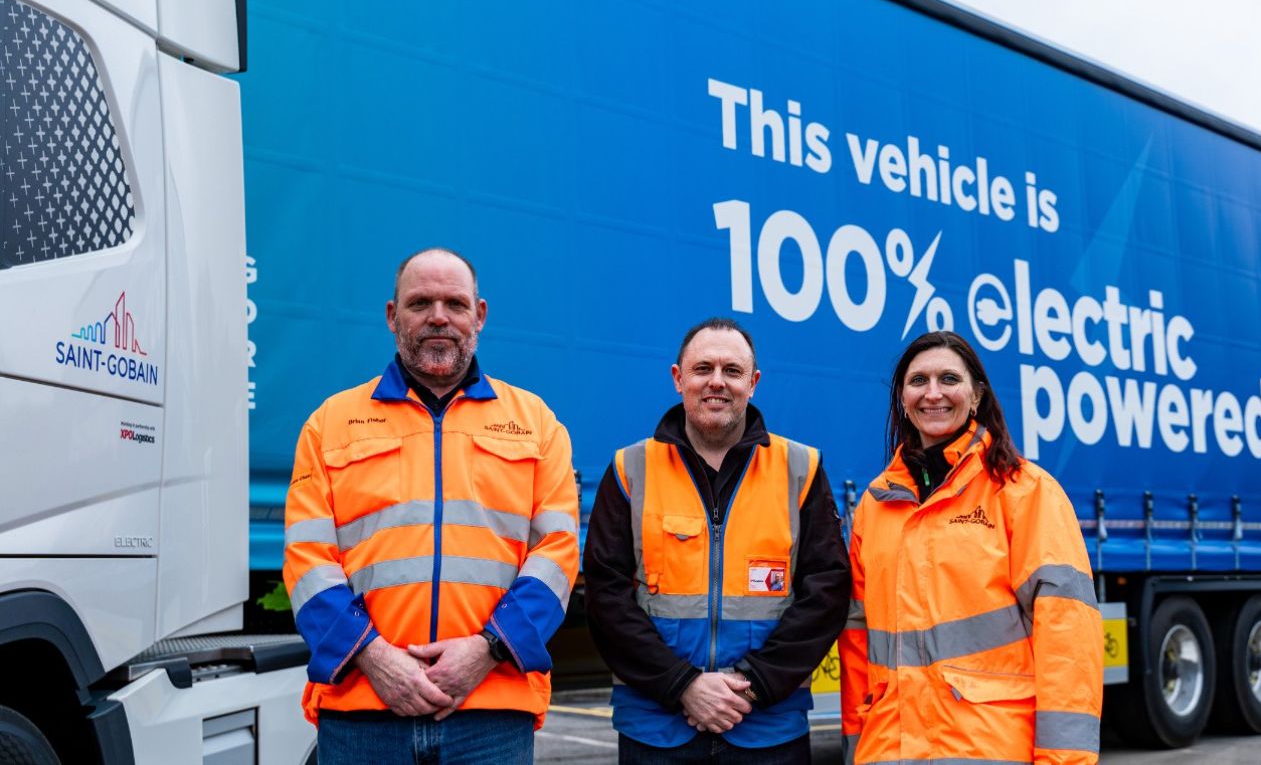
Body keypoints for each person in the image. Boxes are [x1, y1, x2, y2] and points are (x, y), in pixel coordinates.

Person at [283, 248, 578, 764]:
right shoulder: (329, 423)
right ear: (393, 317)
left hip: (490, 712)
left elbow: (557, 554)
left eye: (454, 303)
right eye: (420, 303)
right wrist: (374, 658)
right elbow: (307, 560)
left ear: (478, 316)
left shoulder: (537, 425)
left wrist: (487, 650)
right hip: (364, 711)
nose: (438, 317)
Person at [584, 317, 850, 763]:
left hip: (768, 726)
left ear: (754, 382)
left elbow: (826, 593)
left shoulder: (799, 468)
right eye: (703, 368)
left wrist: (754, 685)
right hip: (657, 728)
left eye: (732, 370)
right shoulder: (631, 469)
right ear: (678, 378)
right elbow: (606, 597)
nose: (717, 382)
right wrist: (682, 685)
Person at [839, 331, 1102, 764]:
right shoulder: (875, 505)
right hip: (891, 748)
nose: (933, 393)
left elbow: (1067, 637)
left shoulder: (1023, 492)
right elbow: (857, 644)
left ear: (976, 395)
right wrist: (855, 748)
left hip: (989, 747)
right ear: (902, 397)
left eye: (949, 379)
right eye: (918, 381)